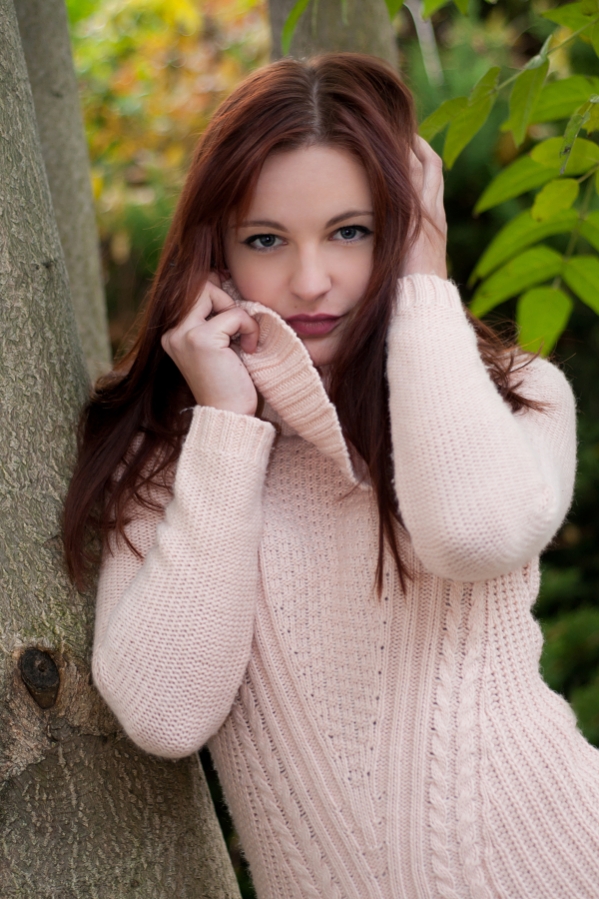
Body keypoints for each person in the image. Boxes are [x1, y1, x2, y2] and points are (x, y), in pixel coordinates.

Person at [64, 53, 599, 899]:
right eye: (265, 240)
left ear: (404, 227)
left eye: (351, 231)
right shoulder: (178, 455)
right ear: (215, 255)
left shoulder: (517, 395)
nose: (310, 281)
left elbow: (473, 532)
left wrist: (422, 279)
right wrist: (229, 423)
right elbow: (165, 712)